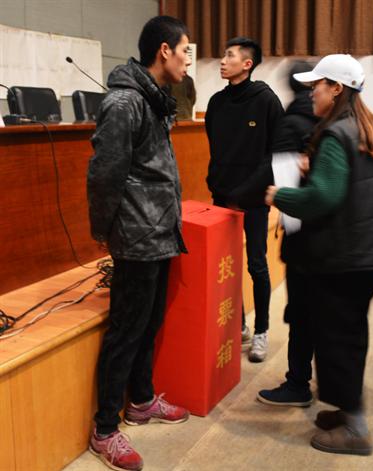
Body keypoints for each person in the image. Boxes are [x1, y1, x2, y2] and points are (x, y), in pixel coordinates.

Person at [265, 54, 373, 455]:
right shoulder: (371, 129)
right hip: (363, 256)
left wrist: (282, 195)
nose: (312, 94)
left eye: (317, 86)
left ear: (337, 89)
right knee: (349, 337)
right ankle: (344, 412)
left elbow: (324, 197)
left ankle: (355, 430)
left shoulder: (335, 133)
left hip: (339, 258)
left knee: (337, 342)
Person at [87, 16, 191, 471]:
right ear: (164, 50)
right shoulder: (125, 102)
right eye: (185, 50)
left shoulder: (154, 98)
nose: (188, 60)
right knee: (126, 330)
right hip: (136, 234)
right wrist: (103, 229)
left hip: (159, 230)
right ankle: (104, 429)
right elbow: (104, 175)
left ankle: (142, 400)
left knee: (148, 324)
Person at [205, 37, 284, 362]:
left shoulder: (266, 100)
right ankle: (238, 325)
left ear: (247, 64)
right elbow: (215, 147)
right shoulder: (216, 102)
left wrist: (248, 190)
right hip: (222, 197)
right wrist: (218, 184)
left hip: (252, 199)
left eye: (230, 56)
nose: (223, 61)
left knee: (256, 264)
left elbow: (275, 153)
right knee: (225, 266)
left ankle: (262, 330)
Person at [257, 60, 319, 407]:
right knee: (323, 310)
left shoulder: (290, 123)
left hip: (303, 235)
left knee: (301, 311)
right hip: (330, 233)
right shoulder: (330, 120)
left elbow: (283, 185)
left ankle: (297, 382)